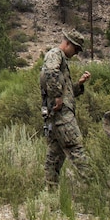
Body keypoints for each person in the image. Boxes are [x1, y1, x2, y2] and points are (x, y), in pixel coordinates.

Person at [40, 31, 92, 188]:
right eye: (76, 49)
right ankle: (91, 187)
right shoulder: (55, 54)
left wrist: (79, 84)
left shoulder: (61, 60)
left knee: (54, 155)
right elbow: (50, 72)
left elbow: (67, 95)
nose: (76, 53)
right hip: (62, 116)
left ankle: (50, 191)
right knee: (76, 148)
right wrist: (57, 96)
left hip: (56, 116)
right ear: (68, 44)